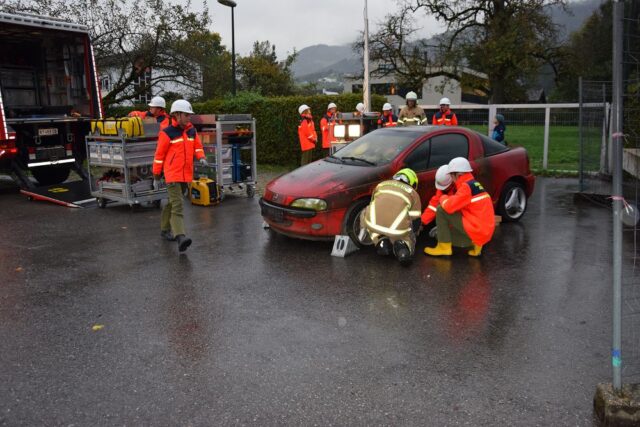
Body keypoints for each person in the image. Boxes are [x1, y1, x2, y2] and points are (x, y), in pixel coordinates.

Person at [152, 99, 207, 252]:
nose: (189, 117)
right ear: (177, 115)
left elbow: (197, 146)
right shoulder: (167, 133)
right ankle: (180, 237)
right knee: (178, 206)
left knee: (171, 202)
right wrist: (156, 176)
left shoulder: (191, 131)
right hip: (172, 175)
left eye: (190, 115)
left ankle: (164, 229)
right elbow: (159, 156)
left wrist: (201, 157)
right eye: (187, 115)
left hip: (186, 174)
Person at [424, 157, 495, 257]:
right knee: (445, 225)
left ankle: (444, 248)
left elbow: (448, 207)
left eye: (451, 176)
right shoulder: (474, 184)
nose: (452, 179)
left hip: (476, 230)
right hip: (483, 232)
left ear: (458, 175)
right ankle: (477, 246)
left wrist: (443, 197)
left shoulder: (465, 188)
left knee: (441, 210)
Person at [359, 168, 422, 265]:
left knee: (366, 212)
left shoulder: (381, 185)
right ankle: (403, 248)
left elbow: (373, 204)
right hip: (398, 231)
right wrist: (412, 234)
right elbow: (416, 220)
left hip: (373, 224)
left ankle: (379, 241)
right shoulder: (413, 193)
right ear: (413, 183)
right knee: (408, 234)